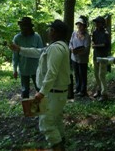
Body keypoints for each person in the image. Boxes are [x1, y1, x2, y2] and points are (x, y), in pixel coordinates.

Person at [10, 19, 70, 151]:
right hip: (56, 93)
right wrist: (19, 49)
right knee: (56, 120)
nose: (49, 31)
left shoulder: (56, 48)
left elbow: (51, 72)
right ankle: (61, 145)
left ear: (54, 32)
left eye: (51, 29)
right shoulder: (56, 46)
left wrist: (42, 92)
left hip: (54, 93)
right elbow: (38, 52)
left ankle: (58, 147)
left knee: (46, 123)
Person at [12, 17, 43, 99]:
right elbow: (15, 56)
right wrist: (14, 70)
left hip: (36, 68)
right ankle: (26, 109)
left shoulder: (37, 37)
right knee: (25, 90)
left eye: (25, 26)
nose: (23, 28)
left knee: (39, 88)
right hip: (23, 68)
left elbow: (42, 52)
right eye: (21, 26)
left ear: (30, 27)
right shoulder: (17, 38)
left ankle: (42, 107)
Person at [69, 15, 91, 97]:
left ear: (84, 26)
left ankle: (83, 90)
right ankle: (78, 88)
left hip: (82, 59)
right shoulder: (74, 33)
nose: (79, 26)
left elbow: (86, 48)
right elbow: (70, 42)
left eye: (81, 24)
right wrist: (71, 49)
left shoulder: (87, 36)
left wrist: (78, 52)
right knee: (76, 73)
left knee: (82, 74)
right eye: (78, 24)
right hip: (74, 57)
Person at [92, 16, 111, 101]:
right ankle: (99, 89)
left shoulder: (105, 33)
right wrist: (93, 43)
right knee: (96, 74)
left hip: (103, 56)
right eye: (96, 22)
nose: (96, 24)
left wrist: (95, 45)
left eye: (98, 22)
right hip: (96, 55)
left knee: (101, 74)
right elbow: (93, 41)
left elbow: (105, 44)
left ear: (102, 23)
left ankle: (104, 94)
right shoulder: (95, 32)